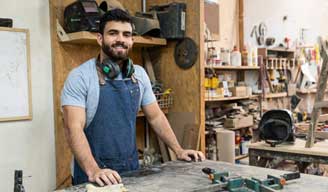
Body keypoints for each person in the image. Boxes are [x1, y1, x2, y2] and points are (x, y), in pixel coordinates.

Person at [61, 8, 205, 186]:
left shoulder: (139, 75)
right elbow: (72, 128)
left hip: (131, 171)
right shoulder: (80, 77)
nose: (120, 39)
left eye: (126, 34)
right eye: (113, 33)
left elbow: (156, 117)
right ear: (100, 38)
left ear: (132, 40)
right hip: (93, 175)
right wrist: (94, 170)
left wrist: (178, 150)